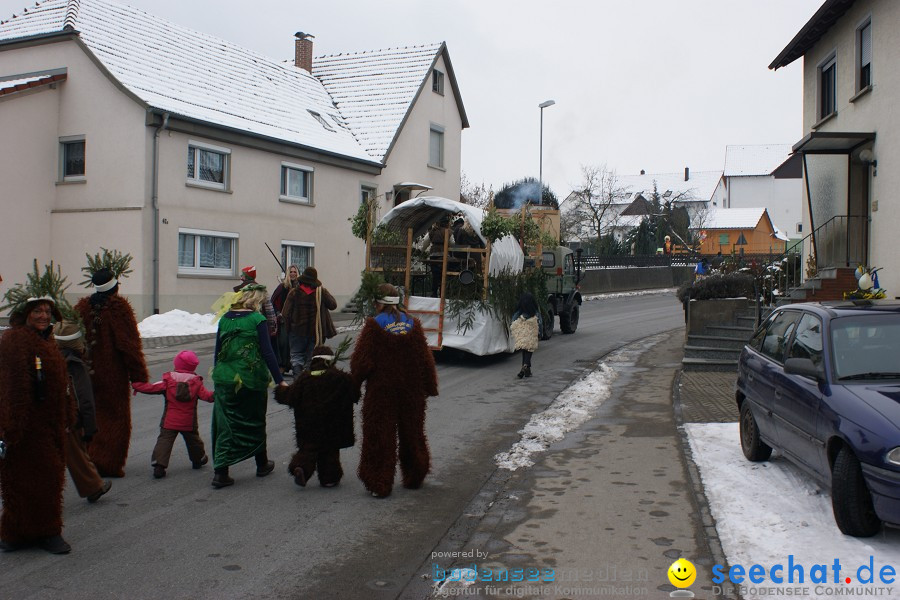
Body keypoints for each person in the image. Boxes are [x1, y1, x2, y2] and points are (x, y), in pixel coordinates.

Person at [0, 296, 73, 554]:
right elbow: (13, 387)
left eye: (47, 311)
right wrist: (12, 428)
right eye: (37, 311)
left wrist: (70, 415)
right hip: (25, 426)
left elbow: (62, 382)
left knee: (46, 478)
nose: (43, 316)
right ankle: (32, 532)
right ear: (25, 314)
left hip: (49, 424)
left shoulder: (46, 339)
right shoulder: (15, 341)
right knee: (26, 480)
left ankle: (36, 531)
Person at [351, 283, 438, 498]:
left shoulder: (374, 326)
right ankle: (415, 474)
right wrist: (430, 386)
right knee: (413, 432)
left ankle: (379, 482)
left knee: (380, 434)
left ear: (378, 303)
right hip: (412, 391)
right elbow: (425, 359)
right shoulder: (413, 324)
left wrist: (354, 385)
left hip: (382, 392)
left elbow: (361, 363)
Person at [210, 284, 287, 488]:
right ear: (255, 299)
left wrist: (218, 376)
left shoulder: (224, 319)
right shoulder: (257, 320)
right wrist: (280, 379)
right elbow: (268, 352)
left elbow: (218, 351)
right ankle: (261, 463)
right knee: (254, 420)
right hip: (251, 379)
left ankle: (221, 471)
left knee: (226, 425)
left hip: (225, 379)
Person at [74, 267, 149, 477]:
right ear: (115, 287)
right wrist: (138, 375)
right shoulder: (118, 308)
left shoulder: (82, 307)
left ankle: (90, 456)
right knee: (116, 418)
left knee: (92, 413)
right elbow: (128, 345)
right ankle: (107, 462)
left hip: (87, 371)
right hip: (113, 373)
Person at [274, 345, 359, 488]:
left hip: (308, 427)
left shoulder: (304, 379)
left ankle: (300, 467)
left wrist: (280, 389)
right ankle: (329, 479)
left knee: (308, 450)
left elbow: (289, 396)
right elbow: (355, 393)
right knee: (330, 453)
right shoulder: (341, 378)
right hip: (333, 427)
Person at [54, 319, 112, 504]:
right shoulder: (75, 365)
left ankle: (93, 486)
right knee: (77, 454)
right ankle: (93, 487)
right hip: (71, 418)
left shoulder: (53, 359)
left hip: (57, 415)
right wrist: (90, 426)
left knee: (75, 454)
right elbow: (84, 398)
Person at [132, 350, 214, 479]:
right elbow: (208, 396)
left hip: (169, 421)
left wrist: (136, 385)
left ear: (177, 364)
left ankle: (159, 466)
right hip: (188, 422)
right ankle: (199, 459)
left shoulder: (167, 381)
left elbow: (151, 388)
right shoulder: (197, 383)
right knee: (194, 441)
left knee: (164, 441)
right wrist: (219, 393)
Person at [282, 266, 337, 376]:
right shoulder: (321, 292)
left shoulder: (294, 293)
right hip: (315, 333)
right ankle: (307, 380)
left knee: (296, 356)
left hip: (296, 332)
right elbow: (333, 305)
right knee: (310, 359)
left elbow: (285, 313)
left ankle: (298, 379)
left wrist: (289, 328)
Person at [270, 265, 299, 375]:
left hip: (296, 321)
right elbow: (274, 302)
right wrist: (278, 313)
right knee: (283, 343)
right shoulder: (282, 287)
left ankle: (294, 366)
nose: (292, 273)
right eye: (291, 272)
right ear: (288, 273)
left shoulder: (299, 287)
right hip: (283, 320)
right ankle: (282, 366)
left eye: (294, 272)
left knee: (295, 344)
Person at [234, 265, 278, 338]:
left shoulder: (239, 291)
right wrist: (272, 327)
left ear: (245, 277)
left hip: (240, 327)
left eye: (242, 275)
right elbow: (269, 311)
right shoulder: (262, 291)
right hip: (259, 326)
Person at [509, 292, 541, 379]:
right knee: (529, 350)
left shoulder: (520, 311)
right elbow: (540, 322)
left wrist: (514, 327)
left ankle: (527, 370)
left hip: (523, 334)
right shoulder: (535, 311)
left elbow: (514, 318)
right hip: (531, 333)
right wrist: (540, 333)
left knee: (524, 350)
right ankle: (525, 366)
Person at [428, 216, 452, 297]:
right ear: (447, 223)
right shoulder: (449, 232)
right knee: (444, 274)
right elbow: (452, 243)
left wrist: (421, 250)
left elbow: (426, 241)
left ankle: (434, 292)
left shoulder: (433, 231)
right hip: (444, 255)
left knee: (435, 275)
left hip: (433, 255)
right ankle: (443, 293)